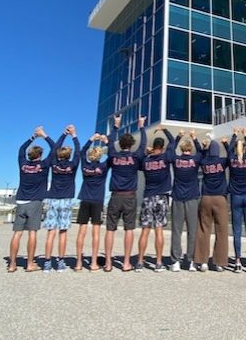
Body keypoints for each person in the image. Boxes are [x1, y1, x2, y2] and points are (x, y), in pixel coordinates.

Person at [8, 126, 55, 273]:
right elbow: (55, 148)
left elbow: (21, 149)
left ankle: (12, 264)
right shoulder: (44, 165)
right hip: (35, 202)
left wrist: (33, 137)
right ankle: (29, 264)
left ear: (29, 155)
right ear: (40, 155)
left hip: (21, 201)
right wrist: (44, 135)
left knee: (17, 233)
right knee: (32, 233)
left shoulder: (23, 164)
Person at [104, 114, 146, 273]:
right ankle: (126, 263)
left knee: (110, 229)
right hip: (129, 196)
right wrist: (141, 126)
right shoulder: (136, 157)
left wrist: (116, 125)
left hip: (115, 196)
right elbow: (143, 144)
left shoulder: (113, 156)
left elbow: (110, 142)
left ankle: (108, 263)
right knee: (129, 229)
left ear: (120, 144)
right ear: (131, 144)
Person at [136, 128, 176, 272]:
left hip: (148, 197)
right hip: (161, 197)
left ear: (153, 147)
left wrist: (148, 152)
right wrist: (164, 129)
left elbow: (140, 155)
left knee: (145, 231)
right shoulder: (166, 157)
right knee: (159, 230)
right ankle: (158, 262)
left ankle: (140, 262)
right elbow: (173, 141)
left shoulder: (146, 161)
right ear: (162, 147)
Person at [43, 124, 80, 272]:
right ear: (69, 155)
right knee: (63, 232)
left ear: (58, 155)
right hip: (66, 199)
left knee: (50, 232)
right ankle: (60, 262)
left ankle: (47, 262)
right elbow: (78, 152)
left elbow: (54, 149)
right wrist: (74, 135)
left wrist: (64, 134)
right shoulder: (73, 165)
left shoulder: (53, 164)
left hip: (53, 198)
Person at [75, 133, 109, 272]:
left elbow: (82, 152)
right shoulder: (103, 167)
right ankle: (94, 263)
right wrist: (106, 141)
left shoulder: (85, 166)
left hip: (85, 199)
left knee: (81, 232)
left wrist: (91, 139)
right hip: (97, 201)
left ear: (90, 156)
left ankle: (78, 263)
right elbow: (112, 155)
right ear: (100, 156)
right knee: (96, 233)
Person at [194, 138, 229, 272]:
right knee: (222, 230)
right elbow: (231, 156)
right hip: (220, 197)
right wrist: (226, 143)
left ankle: (202, 261)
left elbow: (200, 156)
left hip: (206, 197)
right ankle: (219, 262)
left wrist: (203, 147)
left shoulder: (204, 162)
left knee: (204, 229)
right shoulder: (222, 161)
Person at [170, 130, 202, 272]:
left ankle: (176, 261)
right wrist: (195, 138)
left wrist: (178, 136)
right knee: (192, 230)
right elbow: (201, 151)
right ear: (190, 149)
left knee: (176, 231)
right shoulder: (195, 160)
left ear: (181, 149)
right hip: (192, 198)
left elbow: (170, 149)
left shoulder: (176, 160)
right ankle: (191, 261)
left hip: (177, 197)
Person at [227, 128, 246, 272]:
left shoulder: (232, 161)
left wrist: (234, 135)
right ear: (244, 149)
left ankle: (237, 261)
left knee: (237, 231)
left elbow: (229, 150)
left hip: (236, 197)